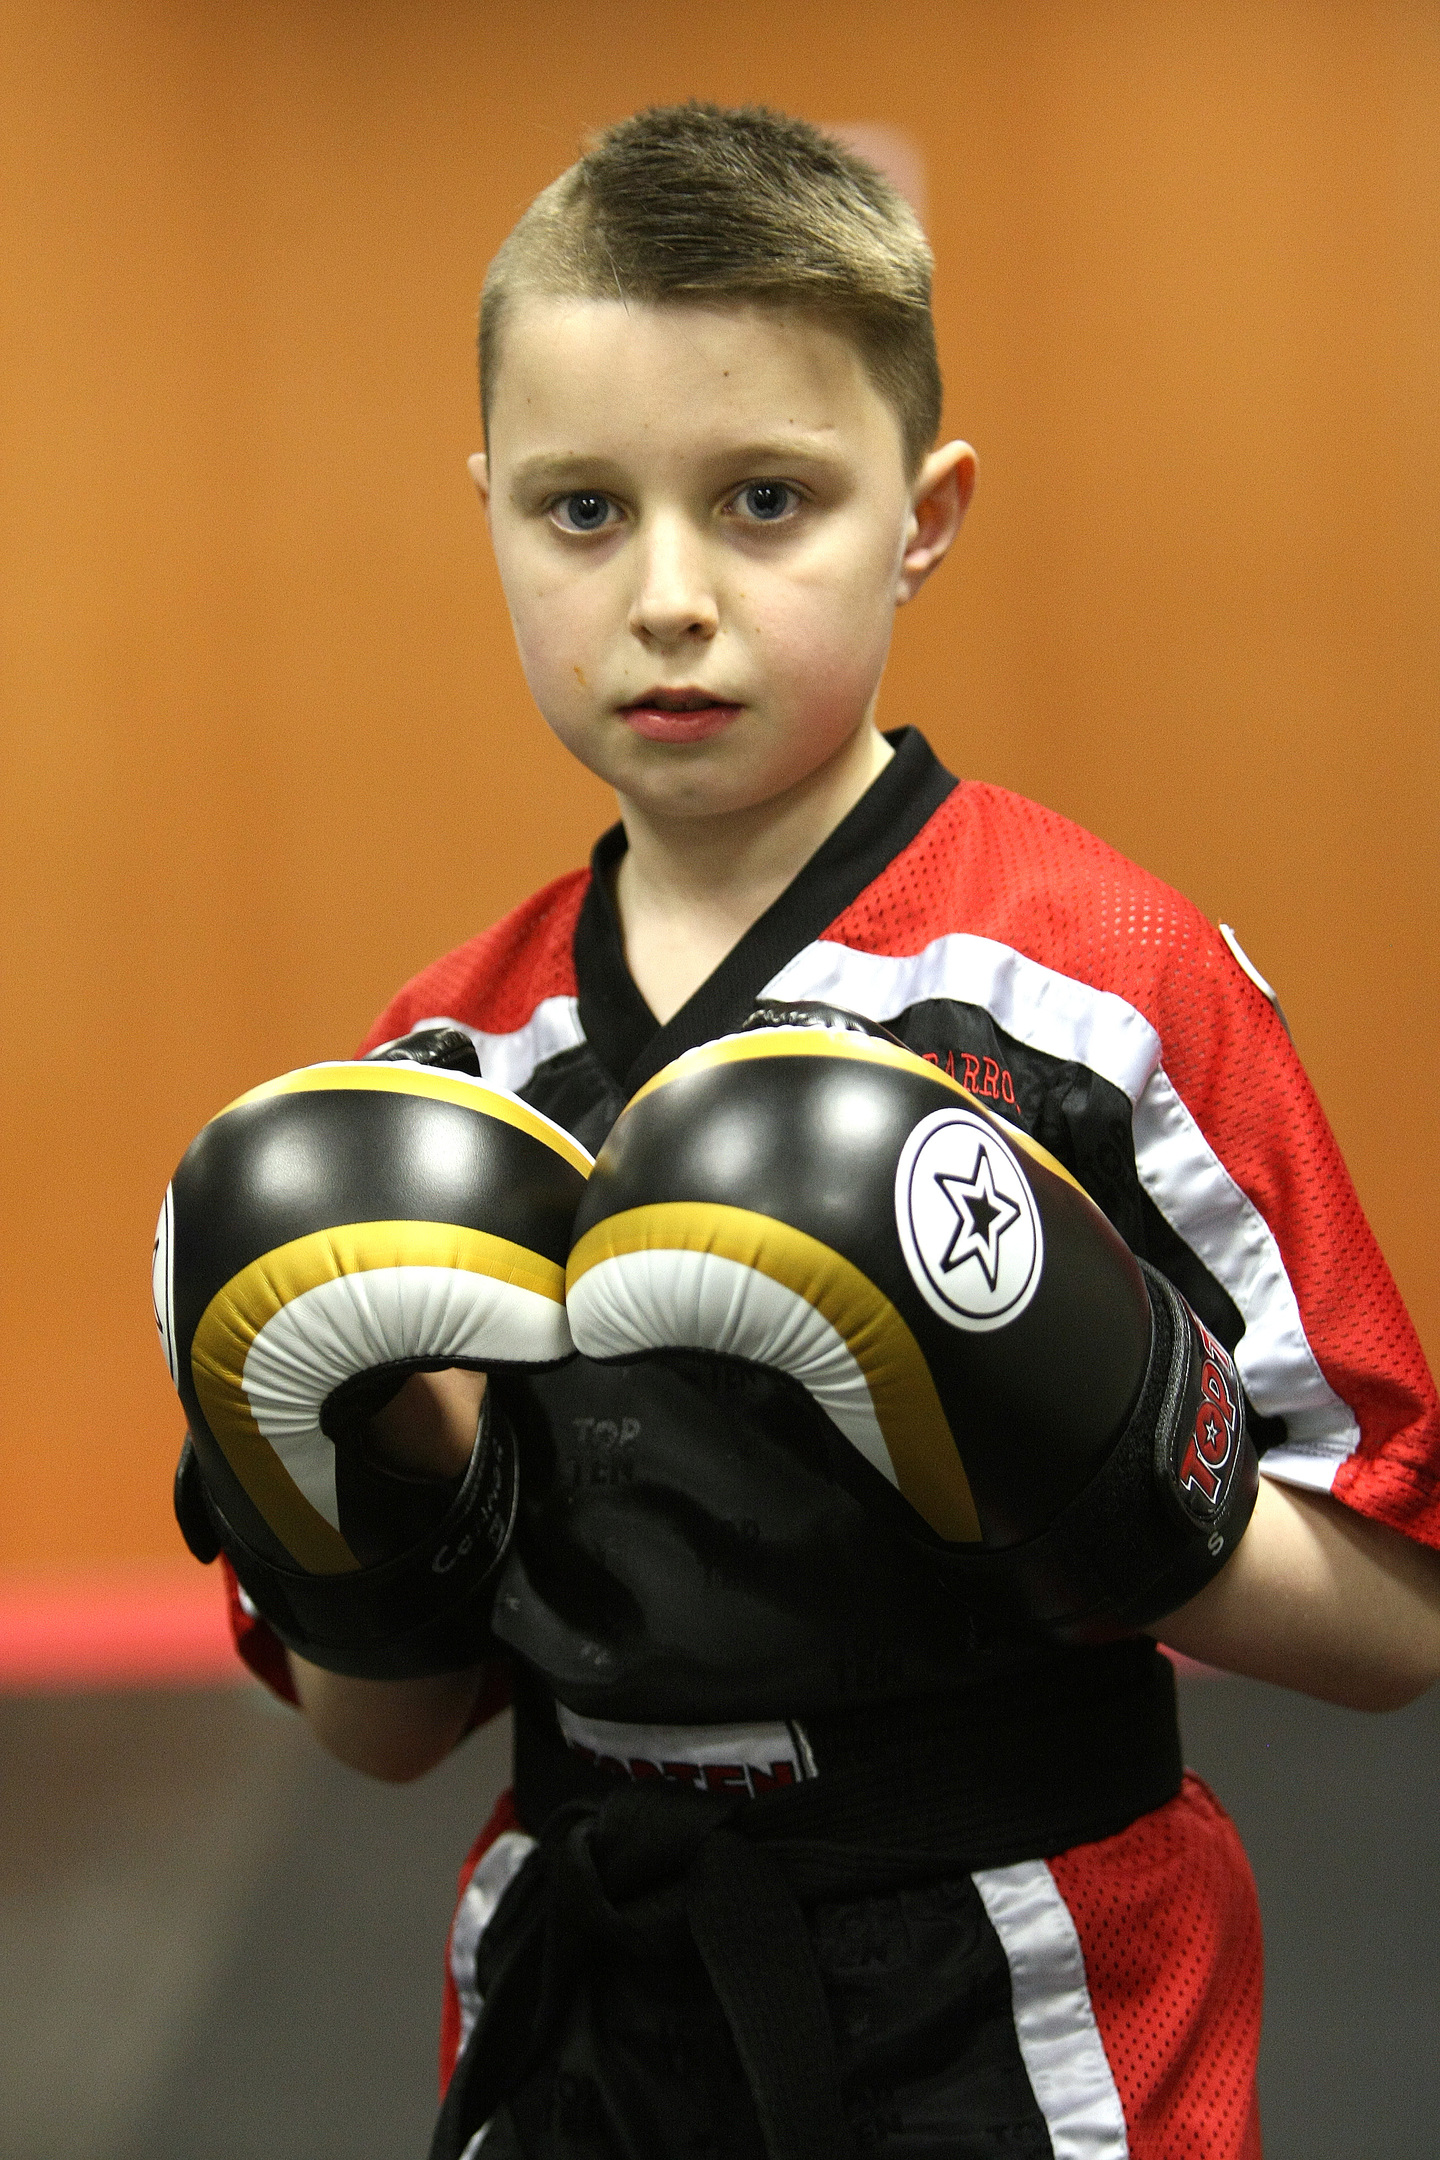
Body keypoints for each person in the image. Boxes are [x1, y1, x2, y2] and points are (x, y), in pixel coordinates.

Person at [183, 104, 1440, 2157]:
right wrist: (352, 1479)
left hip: (1029, 1975)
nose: (669, 595)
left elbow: (1399, 1618)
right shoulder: (447, 1058)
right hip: (588, 1983)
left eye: (767, 499)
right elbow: (388, 1736)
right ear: (490, 511)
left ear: (924, 515)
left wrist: (1102, 1441)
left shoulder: (1100, 987)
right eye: (583, 511)